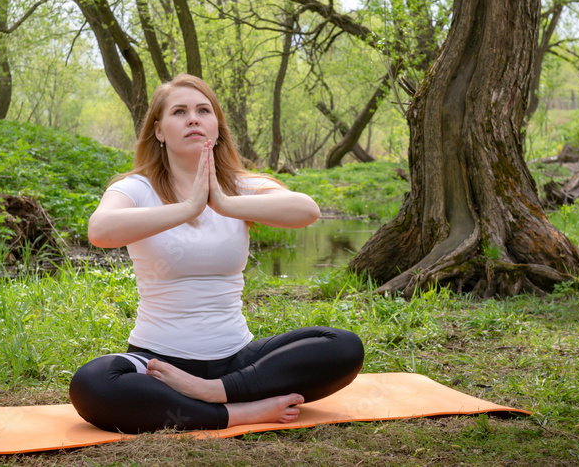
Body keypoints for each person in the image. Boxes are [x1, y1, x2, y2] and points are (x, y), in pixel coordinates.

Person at [69, 74, 364, 434]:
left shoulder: (239, 186)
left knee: (343, 347)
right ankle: (237, 413)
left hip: (237, 361)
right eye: (179, 111)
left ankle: (214, 393)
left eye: (203, 110)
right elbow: (100, 231)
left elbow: (307, 211)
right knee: (92, 384)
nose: (193, 118)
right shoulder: (136, 187)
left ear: (217, 127)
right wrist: (189, 207)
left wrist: (221, 202)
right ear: (159, 131)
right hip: (157, 362)